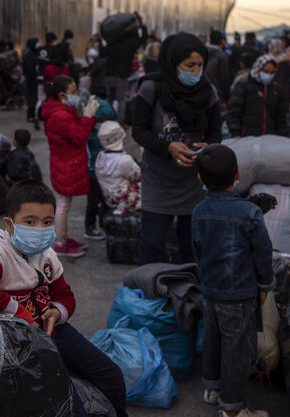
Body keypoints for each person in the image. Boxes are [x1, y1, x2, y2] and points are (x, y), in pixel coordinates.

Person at [0, 179, 128, 417]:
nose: (39, 229)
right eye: (29, 222)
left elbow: (65, 295)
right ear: (9, 224)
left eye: (47, 222)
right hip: (12, 342)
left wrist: (57, 312)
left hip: (51, 330)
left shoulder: (47, 254)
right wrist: (20, 312)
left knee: (110, 374)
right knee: (65, 398)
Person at [192, 144, 274, 417]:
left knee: (212, 339)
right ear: (237, 173)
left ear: (200, 179)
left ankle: (211, 387)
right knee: (236, 350)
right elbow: (263, 253)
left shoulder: (199, 212)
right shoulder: (250, 213)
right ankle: (233, 408)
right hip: (239, 294)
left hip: (211, 290)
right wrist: (265, 285)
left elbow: (198, 250)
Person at [132, 33, 223, 265]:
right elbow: (139, 131)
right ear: (173, 64)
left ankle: (189, 296)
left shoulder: (208, 91)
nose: (196, 71)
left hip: (193, 184)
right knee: (152, 244)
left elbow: (215, 131)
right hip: (158, 182)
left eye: (200, 65)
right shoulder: (151, 87)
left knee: (192, 247)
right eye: (189, 65)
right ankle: (147, 295)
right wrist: (168, 147)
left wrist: (210, 146)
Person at [41, 75, 99, 257]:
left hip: (65, 162)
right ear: (61, 95)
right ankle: (59, 242)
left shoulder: (61, 111)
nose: (76, 96)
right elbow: (79, 136)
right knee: (63, 204)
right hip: (65, 164)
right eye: (72, 93)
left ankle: (64, 237)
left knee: (64, 202)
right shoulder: (59, 115)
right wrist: (88, 117)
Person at [80, 94, 116, 240]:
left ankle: (104, 223)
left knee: (107, 201)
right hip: (93, 174)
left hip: (106, 172)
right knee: (93, 203)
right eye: (101, 121)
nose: (104, 124)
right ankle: (89, 227)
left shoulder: (110, 130)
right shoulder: (87, 132)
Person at [227, 55, 289, 137]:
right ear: (258, 69)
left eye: (272, 72)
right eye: (266, 71)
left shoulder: (276, 89)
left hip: (270, 137)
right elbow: (234, 111)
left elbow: (281, 116)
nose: (268, 75)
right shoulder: (243, 85)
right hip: (246, 136)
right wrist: (235, 132)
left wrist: (282, 134)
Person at [102, 14, 147, 124]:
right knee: (121, 99)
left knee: (109, 98)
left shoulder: (113, 41)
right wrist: (143, 26)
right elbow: (143, 39)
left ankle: (106, 119)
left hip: (109, 73)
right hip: (121, 75)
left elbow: (102, 53)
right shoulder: (131, 43)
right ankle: (120, 122)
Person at [95, 121, 141, 215]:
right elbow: (138, 176)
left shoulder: (100, 157)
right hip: (125, 201)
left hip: (110, 199)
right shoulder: (124, 160)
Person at [205, 30, 231, 103]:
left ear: (210, 40)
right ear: (222, 41)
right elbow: (224, 78)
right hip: (218, 94)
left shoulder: (203, 53)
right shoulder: (222, 56)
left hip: (203, 91)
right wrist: (227, 97)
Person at [267, 38, 290, 113]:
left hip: (270, 89)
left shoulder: (267, 59)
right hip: (284, 88)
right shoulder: (285, 59)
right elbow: (289, 73)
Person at [23, 38, 42, 128]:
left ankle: (32, 114)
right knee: (32, 97)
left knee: (33, 97)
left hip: (32, 79)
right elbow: (30, 69)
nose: (38, 44)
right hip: (31, 79)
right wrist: (35, 75)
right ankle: (30, 115)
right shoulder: (29, 55)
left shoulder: (32, 53)